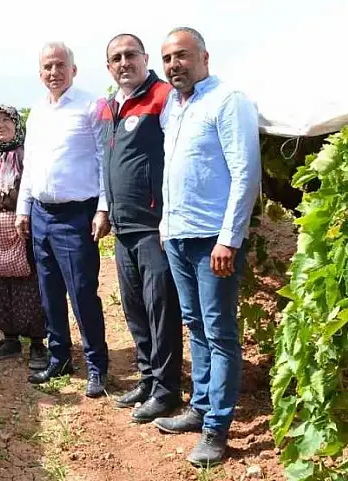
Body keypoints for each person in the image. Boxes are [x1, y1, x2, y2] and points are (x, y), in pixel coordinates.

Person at [153, 28, 261, 467]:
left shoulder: (228, 100)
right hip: (178, 235)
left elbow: (246, 174)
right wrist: (165, 224)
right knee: (195, 324)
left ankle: (217, 427)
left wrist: (228, 239)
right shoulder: (174, 110)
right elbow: (173, 172)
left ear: (204, 57)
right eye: (167, 59)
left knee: (219, 332)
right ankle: (198, 408)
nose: (173, 65)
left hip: (212, 240)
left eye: (181, 55)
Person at [17, 42, 111, 398]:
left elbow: (106, 160)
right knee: (49, 291)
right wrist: (22, 209)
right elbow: (31, 165)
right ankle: (59, 358)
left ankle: (97, 365)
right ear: (40, 73)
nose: (53, 72)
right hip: (41, 213)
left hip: (76, 215)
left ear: (74, 69)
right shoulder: (37, 112)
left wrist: (103, 208)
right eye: (47, 67)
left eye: (60, 65)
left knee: (82, 292)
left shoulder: (93, 106)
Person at [100, 33, 183, 423]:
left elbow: (176, 155)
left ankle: (168, 390)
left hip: (154, 225)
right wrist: (105, 209)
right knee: (134, 309)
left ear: (145, 58)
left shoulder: (162, 97)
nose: (123, 62)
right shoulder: (111, 107)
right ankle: (148, 379)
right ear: (109, 66)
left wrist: (168, 215)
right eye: (116, 58)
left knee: (160, 307)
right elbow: (108, 164)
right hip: (123, 226)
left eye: (130, 55)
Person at [0, 105, 49, 370]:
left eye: (6, 120)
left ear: (17, 124)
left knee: (30, 287)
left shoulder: (30, 158)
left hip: (24, 232)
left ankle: (38, 343)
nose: (0, 125)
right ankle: (9, 338)